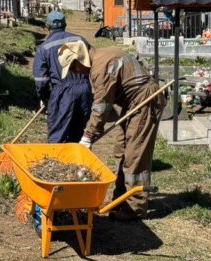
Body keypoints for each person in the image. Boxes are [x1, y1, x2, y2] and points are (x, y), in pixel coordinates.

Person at [62, 43, 166, 220]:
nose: (75, 72)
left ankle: (135, 207)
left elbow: (102, 107)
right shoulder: (102, 55)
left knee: (135, 156)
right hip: (132, 104)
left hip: (145, 102)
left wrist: (88, 136)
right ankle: (120, 200)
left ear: (81, 61)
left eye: (73, 67)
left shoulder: (99, 67)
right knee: (121, 150)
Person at [33, 11, 93, 143]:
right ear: (65, 25)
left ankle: (57, 161)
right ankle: (75, 162)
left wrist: (45, 98)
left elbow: (41, 81)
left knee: (57, 136)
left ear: (47, 27)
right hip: (84, 90)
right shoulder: (81, 40)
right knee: (77, 134)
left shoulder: (44, 48)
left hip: (62, 93)